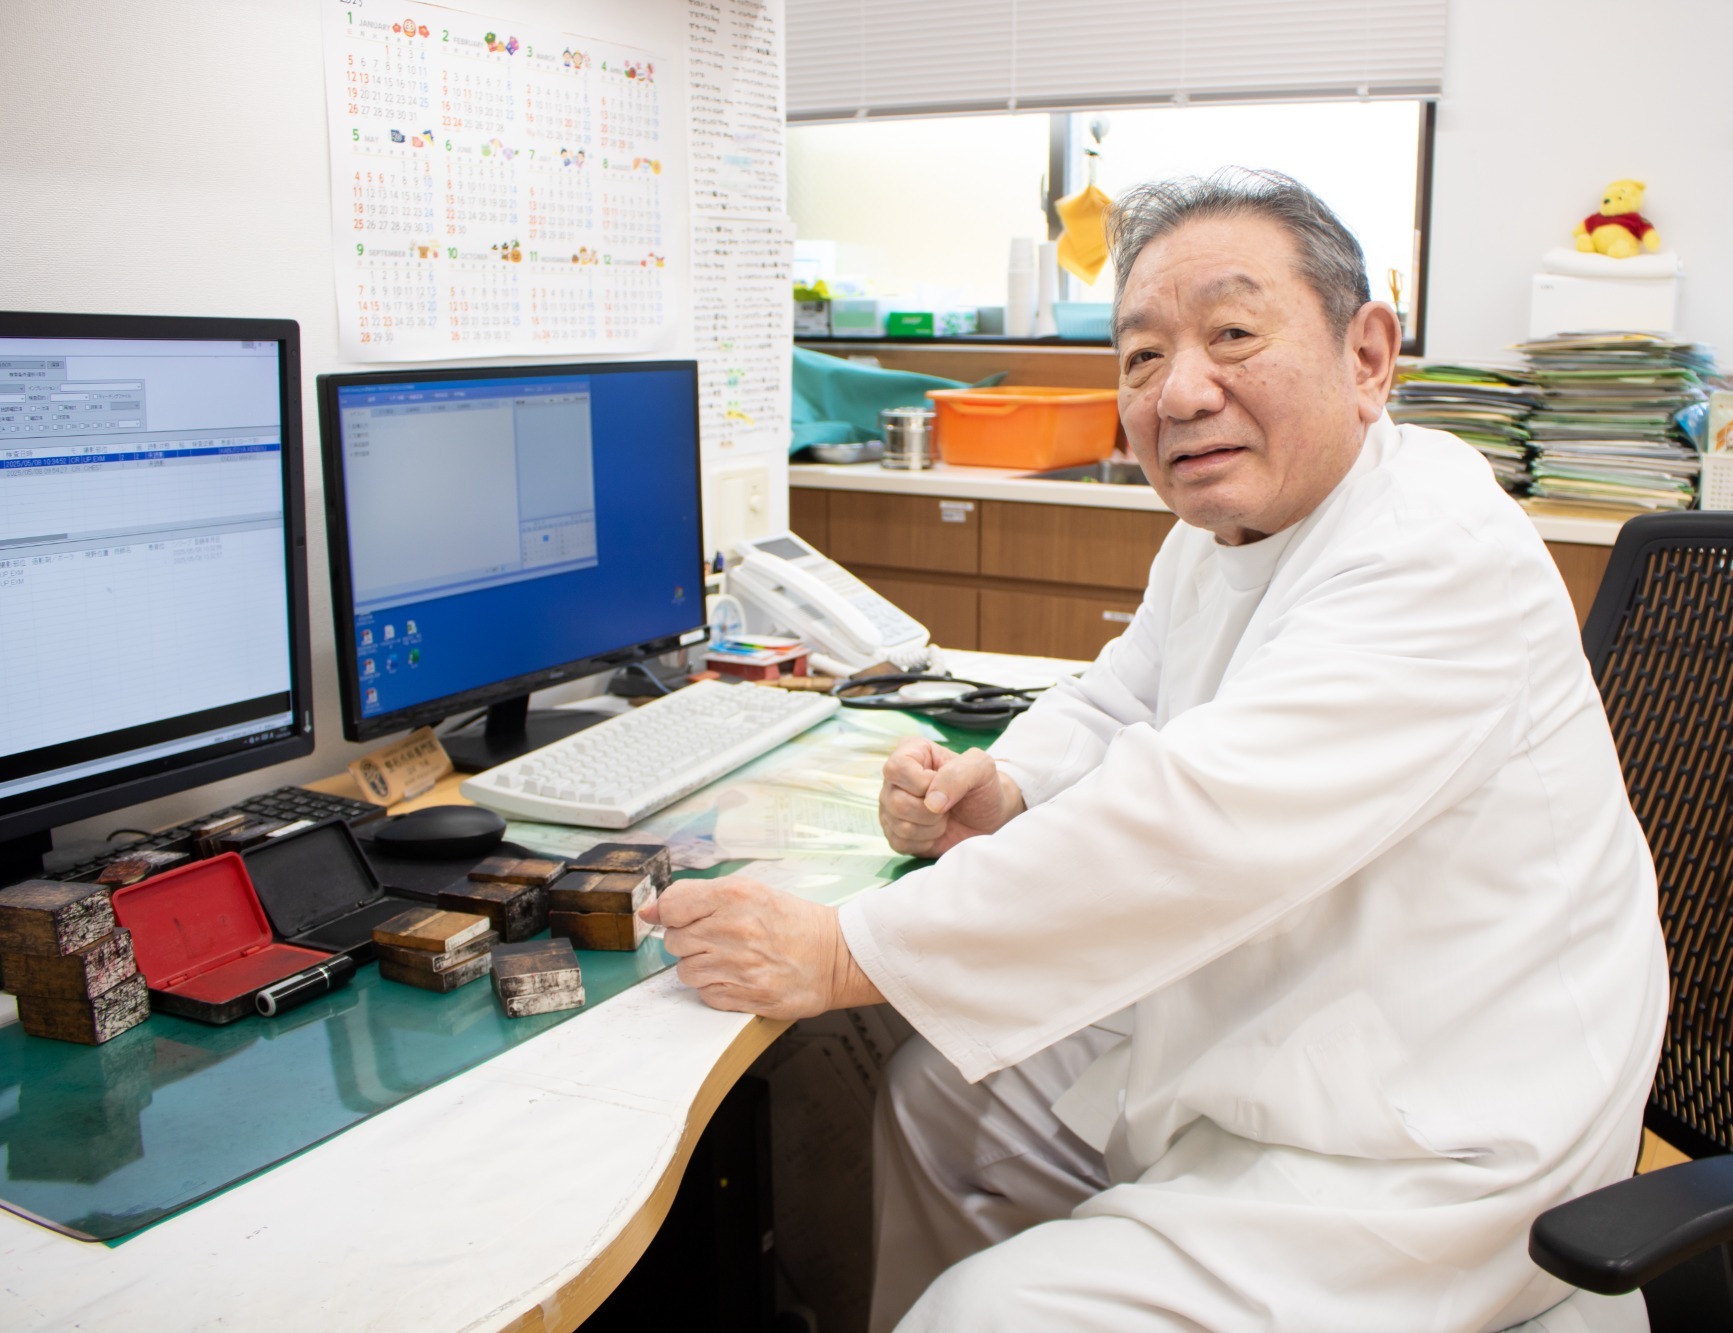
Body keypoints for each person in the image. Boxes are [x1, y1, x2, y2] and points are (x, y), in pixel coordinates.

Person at [642, 168, 1669, 1331]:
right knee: (941, 1106)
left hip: (1432, 1137)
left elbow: (1196, 818)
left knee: (986, 1314)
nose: (1179, 391)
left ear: (1367, 355)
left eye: (1231, 334)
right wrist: (1006, 781)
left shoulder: (1435, 551)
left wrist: (844, 951)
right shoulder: (1234, 524)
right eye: (1140, 355)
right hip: (1290, 1016)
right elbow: (1124, 694)